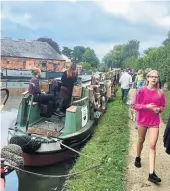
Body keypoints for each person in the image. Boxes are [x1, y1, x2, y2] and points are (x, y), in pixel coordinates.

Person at [132, 70, 166, 183]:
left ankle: (151, 173)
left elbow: (162, 106)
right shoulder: (141, 91)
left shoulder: (160, 92)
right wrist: (147, 107)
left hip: (154, 122)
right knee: (141, 140)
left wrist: (159, 109)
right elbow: (135, 105)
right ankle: (138, 156)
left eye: (156, 77)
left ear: (158, 79)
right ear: (147, 78)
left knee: (152, 145)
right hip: (142, 121)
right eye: (151, 76)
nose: (154, 78)